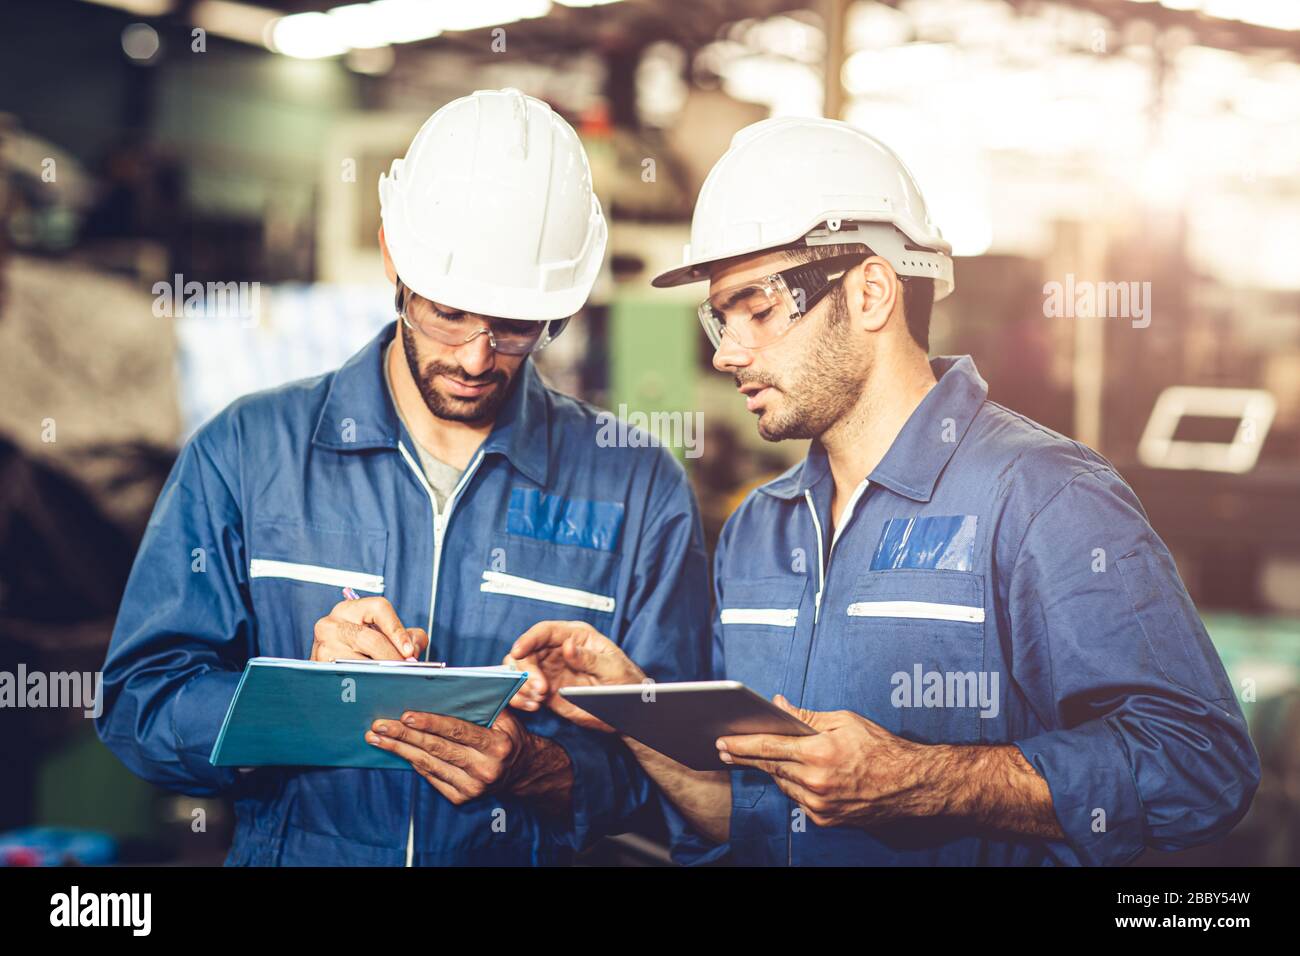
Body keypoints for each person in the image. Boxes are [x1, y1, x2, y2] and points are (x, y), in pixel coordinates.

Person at [505, 116, 1261, 866]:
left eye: (758, 310)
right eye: (719, 318)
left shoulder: (1044, 500)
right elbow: (752, 820)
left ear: (870, 293)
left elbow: (1201, 765)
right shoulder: (758, 533)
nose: (728, 353)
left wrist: (922, 781)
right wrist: (635, 709)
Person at [96, 89, 711, 866]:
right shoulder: (247, 451)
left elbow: (686, 777)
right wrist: (296, 703)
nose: (476, 357)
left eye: (516, 326)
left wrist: (543, 772)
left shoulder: (638, 488)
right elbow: (137, 709)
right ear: (394, 257)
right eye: (448, 313)